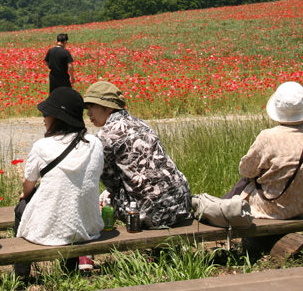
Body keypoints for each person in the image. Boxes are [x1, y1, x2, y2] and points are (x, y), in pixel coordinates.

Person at [14, 87, 103, 276]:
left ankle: (20, 274)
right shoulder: (95, 143)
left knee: (21, 208)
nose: (43, 118)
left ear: (57, 117)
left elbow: (28, 182)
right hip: (88, 226)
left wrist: (25, 194)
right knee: (69, 201)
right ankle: (69, 269)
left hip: (48, 232)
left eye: (46, 114)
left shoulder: (42, 146)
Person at [83, 81, 191, 228]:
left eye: (92, 107)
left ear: (108, 107)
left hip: (155, 214)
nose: (88, 113)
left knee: (102, 200)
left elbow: (111, 183)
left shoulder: (105, 136)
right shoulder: (141, 124)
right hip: (182, 203)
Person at [226, 81, 303, 219]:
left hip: (275, 208)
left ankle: (220, 208)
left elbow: (246, 170)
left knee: (246, 182)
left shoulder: (269, 136)